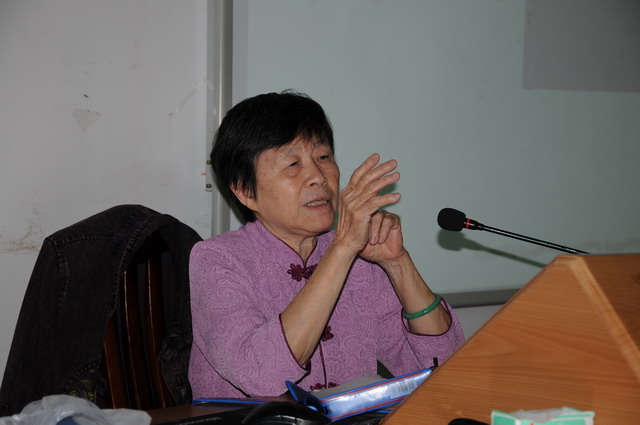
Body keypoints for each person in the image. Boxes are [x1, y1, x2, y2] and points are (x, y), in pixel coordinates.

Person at [188, 91, 465, 398]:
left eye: (323, 157)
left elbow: (443, 371)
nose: (318, 177)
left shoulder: (361, 259)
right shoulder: (217, 259)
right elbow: (263, 377)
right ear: (244, 190)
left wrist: (397, 262)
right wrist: (342, 249)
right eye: (293, 164)